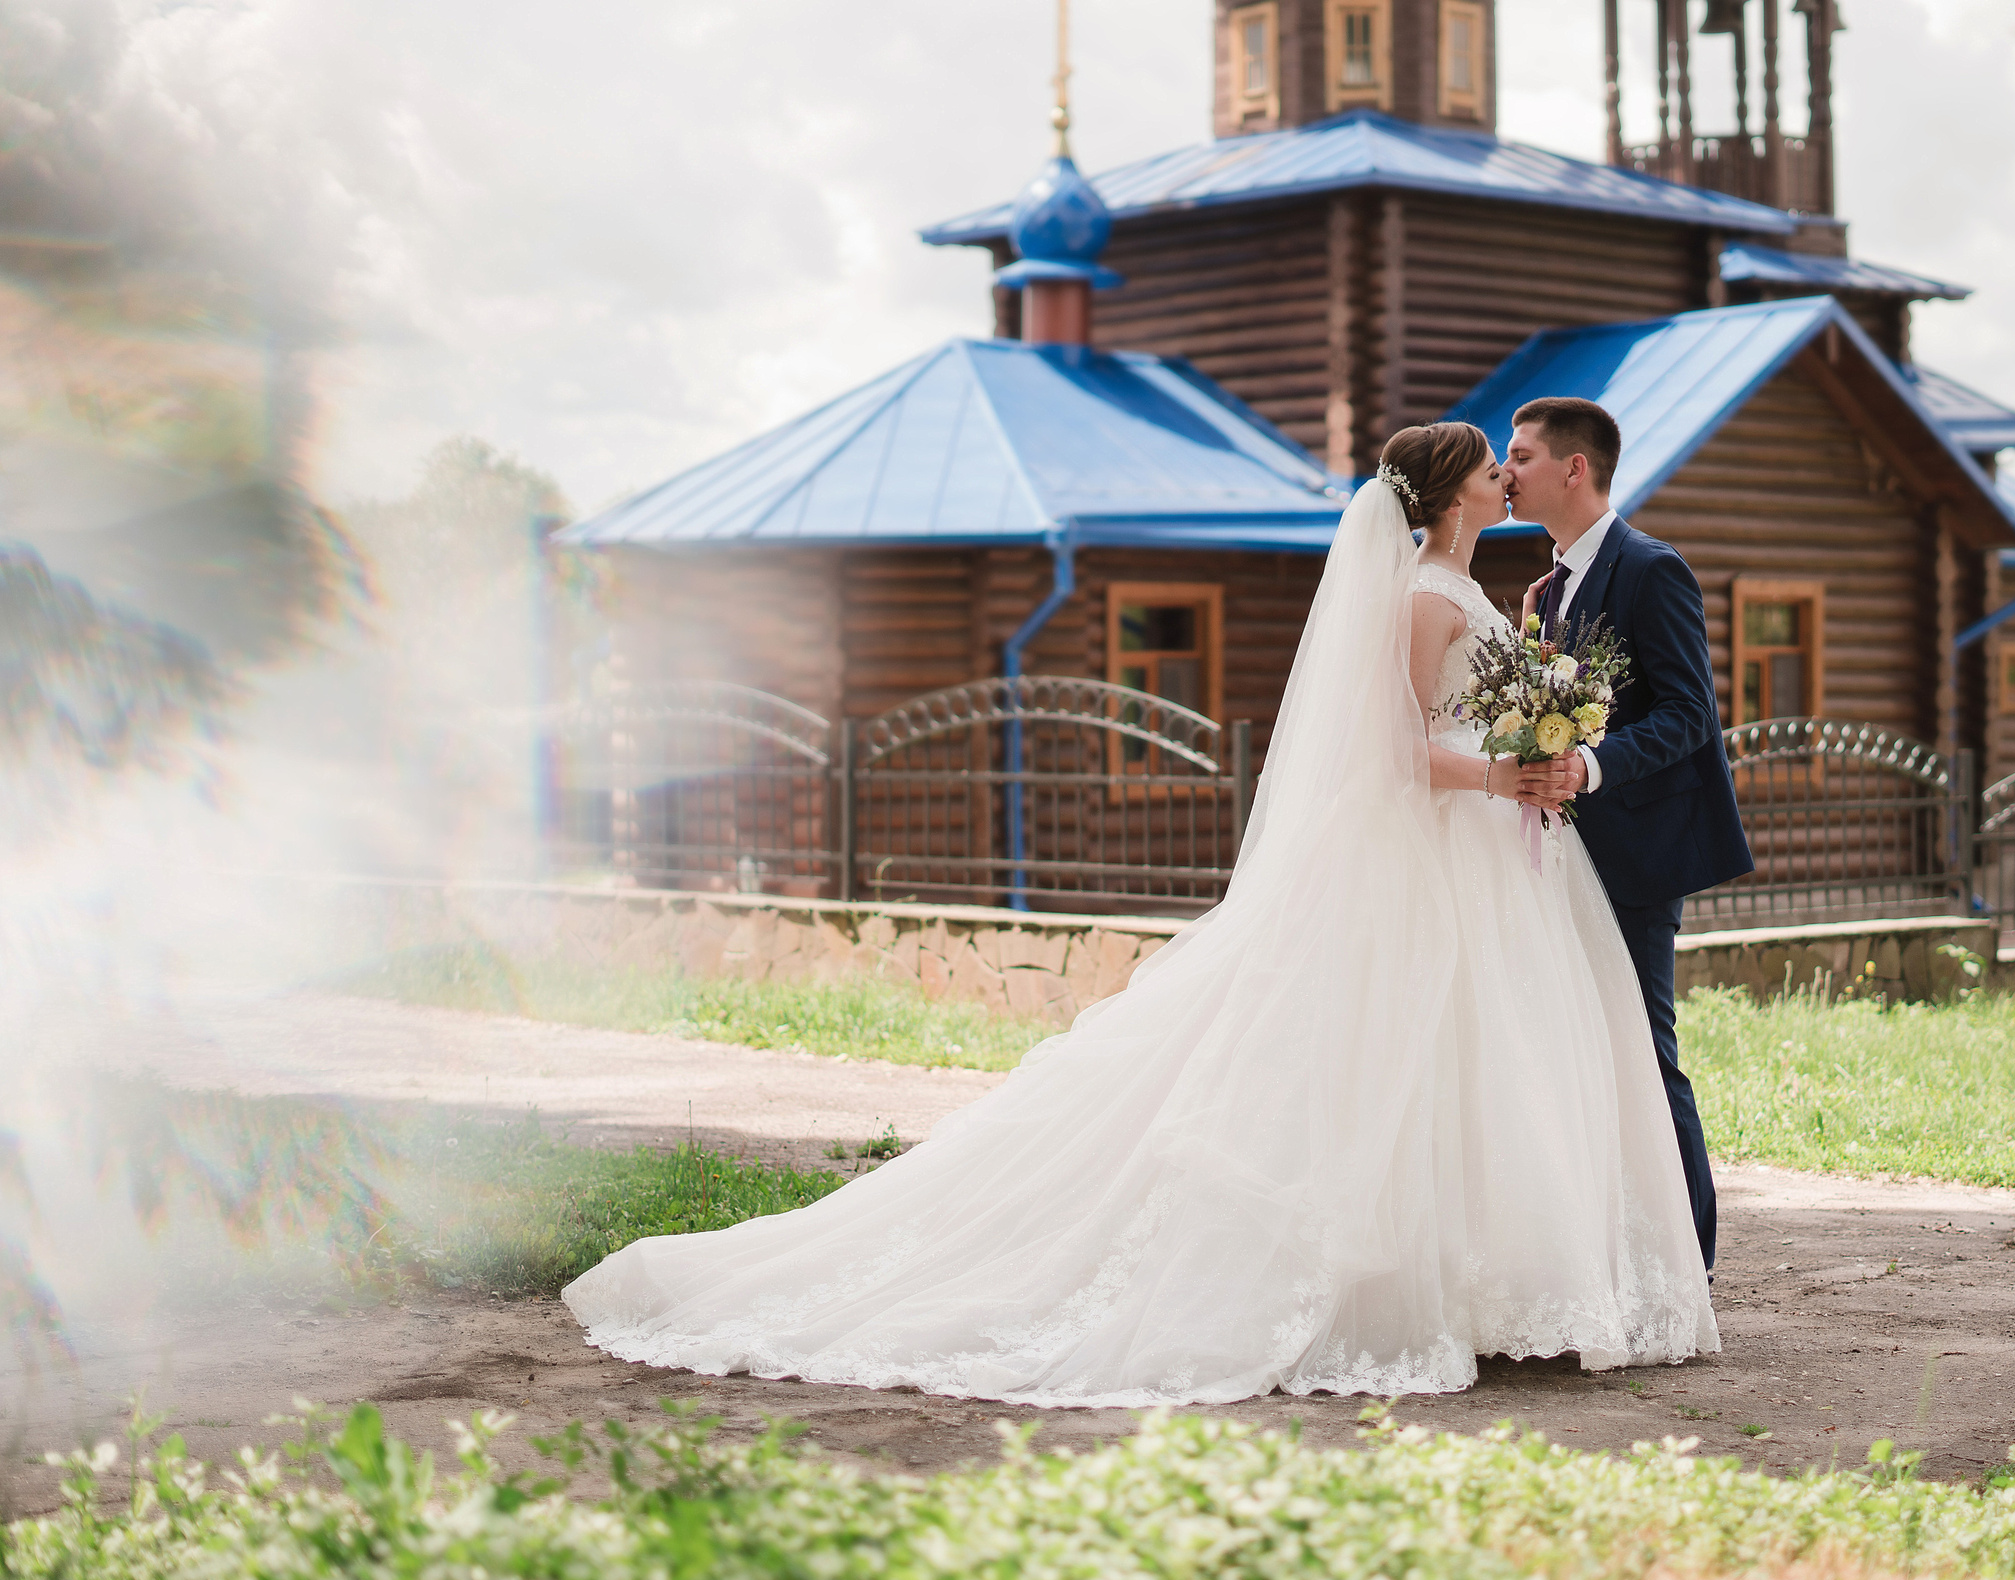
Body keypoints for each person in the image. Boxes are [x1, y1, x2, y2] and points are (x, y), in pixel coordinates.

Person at [563, 421, 1716, 1407]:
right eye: (1489, 466)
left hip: (1488, 861)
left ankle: (1489, 1284)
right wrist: (1503, 773)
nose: (1503, 477)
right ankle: (1398, 1284)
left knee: (1481, 1065)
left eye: (1511, 462)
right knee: (1402, 1057)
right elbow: (1400, 751)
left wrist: (1539, 741)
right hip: (1446, 843)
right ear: (1450, 490)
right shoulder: (1421, 594)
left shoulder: (1473, 586)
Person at [1503, 397, 1754, 1273]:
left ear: (1575, 469)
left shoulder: (1652, 569)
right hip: (1559, 856)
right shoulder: (1549, 585)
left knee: (1644, 1054)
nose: (1507, 472)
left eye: (1522, 456)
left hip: (1635, 857)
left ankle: (1690, 1262)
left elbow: (1690, 714)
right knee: (1570, 1050)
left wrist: (1589, 765)